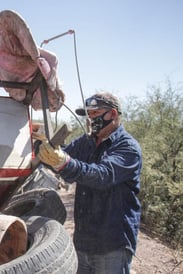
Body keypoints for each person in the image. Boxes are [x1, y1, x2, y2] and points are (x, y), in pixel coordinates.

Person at [38, 92, 142, 274]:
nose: (91, 118)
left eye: (95, 113)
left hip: (113, 242)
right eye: (89, 114)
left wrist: (64, 162)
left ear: (113, 114)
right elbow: (63, 163)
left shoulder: (128, 148)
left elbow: (102, 176)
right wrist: (43, 147)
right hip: (83, 240)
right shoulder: (86, 142)